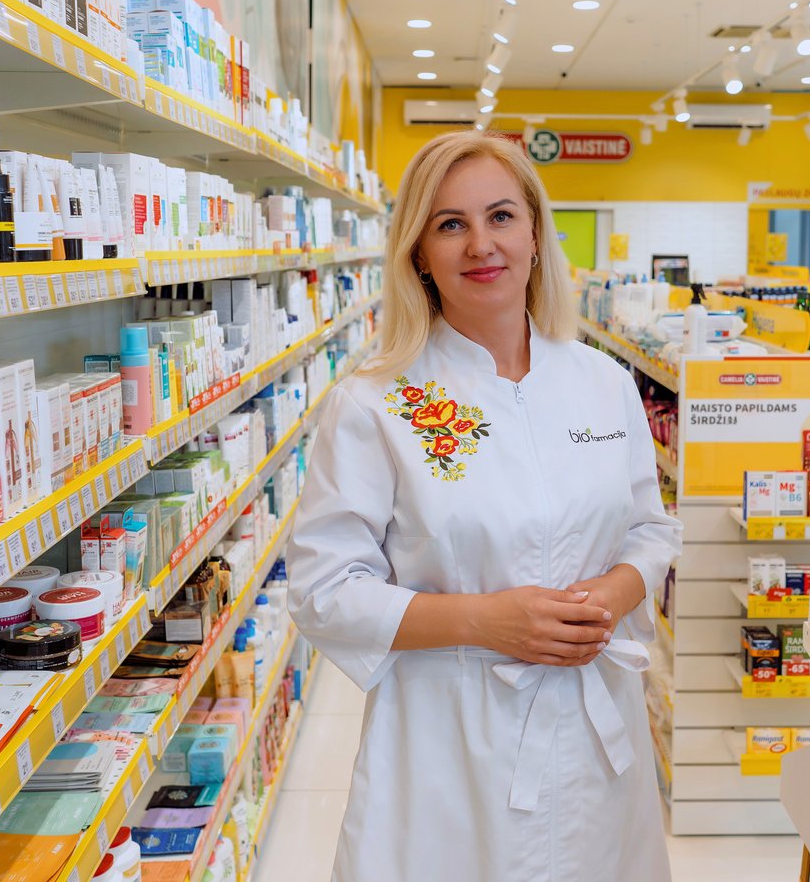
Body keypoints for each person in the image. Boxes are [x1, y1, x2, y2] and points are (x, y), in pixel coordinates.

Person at [287, 130, 681, 881]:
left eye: (501, 216)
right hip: (447, 747)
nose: (481, 244)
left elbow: (650, 529)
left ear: (534, 234)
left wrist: (613, 593)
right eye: (450, 224)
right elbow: (323, 591)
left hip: (598, 735)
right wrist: (485, 620)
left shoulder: (602, 382)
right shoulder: (377, 403)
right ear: (419, 255)